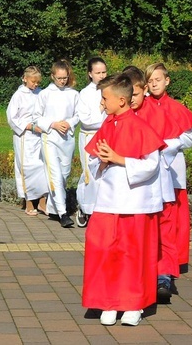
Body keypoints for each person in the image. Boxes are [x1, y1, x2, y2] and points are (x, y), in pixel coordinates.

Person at [82, 74, 165, 327]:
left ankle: (134, 304)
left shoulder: (141, 127)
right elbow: (95, 157)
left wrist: (119, 159)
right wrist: (102, 160)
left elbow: (151, 164)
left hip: (134, 202)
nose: (102, 103)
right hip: (108, 200)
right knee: (104, 250)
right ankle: (109, 301)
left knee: (133, 254)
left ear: (121, 100)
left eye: (105, 98)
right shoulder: (108, 123)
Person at [123, 65, 183, 304]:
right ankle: (140, 276)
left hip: (160, 183)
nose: (130, 99)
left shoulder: (157, 111)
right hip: (134, 189)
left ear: (143, 90)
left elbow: (177, 139)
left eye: (134, 95)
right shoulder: (121, 115)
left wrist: (161, 152)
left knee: (163, 233)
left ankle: (163, 277)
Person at [146, 63, 192, 291]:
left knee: (173, 218)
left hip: (173, 166)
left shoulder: (176, 107)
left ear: (167, 80)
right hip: (148, 168)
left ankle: (170, 263)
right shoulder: (142, 105)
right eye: (150, 80)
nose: (154, 83)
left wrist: (171, 144)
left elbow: (189, 138)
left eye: (158, 79)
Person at [35, 60, 80, 227]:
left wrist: (69, 123)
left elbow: (78, 114)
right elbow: (37, 116)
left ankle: (53, 208)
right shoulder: (45, 94)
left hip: (67, 139)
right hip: (50, 138)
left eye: (65, 78)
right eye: (59, 78)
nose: (62, 81)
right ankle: (63, 213)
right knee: (54, 174)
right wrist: (53, 124)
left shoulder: (74, 94)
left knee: (63, 175)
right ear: (53, 76)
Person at [6, 66, 48, 215]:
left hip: (39, 135)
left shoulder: (41, 93)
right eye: (33, 82)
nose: (35, 85)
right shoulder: (18, 95)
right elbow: (12, 117)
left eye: (37, 82)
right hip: (24, 136)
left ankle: (43, 201)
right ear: (25, 79)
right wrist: (28, 126)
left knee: (41, 167)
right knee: (26, 168)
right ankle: (29, 202)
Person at [75, 57, 108, 224]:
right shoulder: (85, 93)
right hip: (90, 136)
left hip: (107, 134)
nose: (101, 76)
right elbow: (86, 119)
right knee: (89, 173)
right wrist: (101, 107)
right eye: (98, 73)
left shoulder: (111, 88)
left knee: (104, 173)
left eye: (104, 72)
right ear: (90, 74)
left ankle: (100, 207)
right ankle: (85, 206)